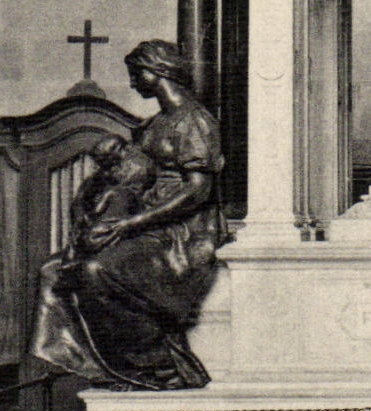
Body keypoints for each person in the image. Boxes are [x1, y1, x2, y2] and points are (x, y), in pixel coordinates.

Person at [32, 40, 226, 390]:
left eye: (136, 74)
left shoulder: (194, 121)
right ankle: (106, 366)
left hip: (182, 231)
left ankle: (158, 363)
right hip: (142, 221)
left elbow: (198, 191)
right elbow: (125, 173)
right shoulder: (153, 126)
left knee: (97, 270)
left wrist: (130, 223)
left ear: (157, 72)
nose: (134, 83)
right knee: (53, 271)